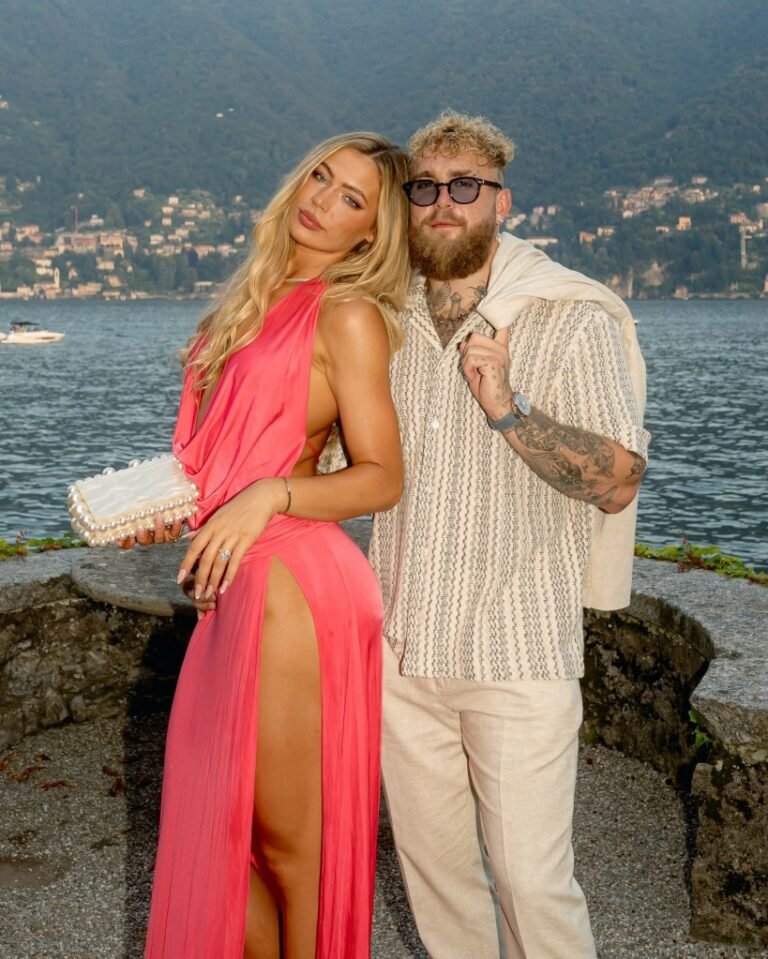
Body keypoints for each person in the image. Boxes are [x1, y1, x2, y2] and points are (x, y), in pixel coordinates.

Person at [369, 112, 650, 958]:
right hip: (401, 649)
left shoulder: (568, 318)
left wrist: (508, 408)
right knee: (437, 877)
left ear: (502, 201)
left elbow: (617, 481)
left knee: (532, 884)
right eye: (424, 187)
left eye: (466, 186)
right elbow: (337, 458)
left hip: (517, 652)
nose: (443, 202)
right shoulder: (382, 319)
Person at [132, 132, 411, 959]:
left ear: (372, 233)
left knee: (291, 849)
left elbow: (383, 476)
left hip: (294, 582)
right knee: (223, 838)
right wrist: (172, 508)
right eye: (321, 176)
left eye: (351, 198)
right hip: (232, 583)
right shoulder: (243, 304)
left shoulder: (347, 314)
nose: (322, 200)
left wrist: (269, 492)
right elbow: (220, 457)